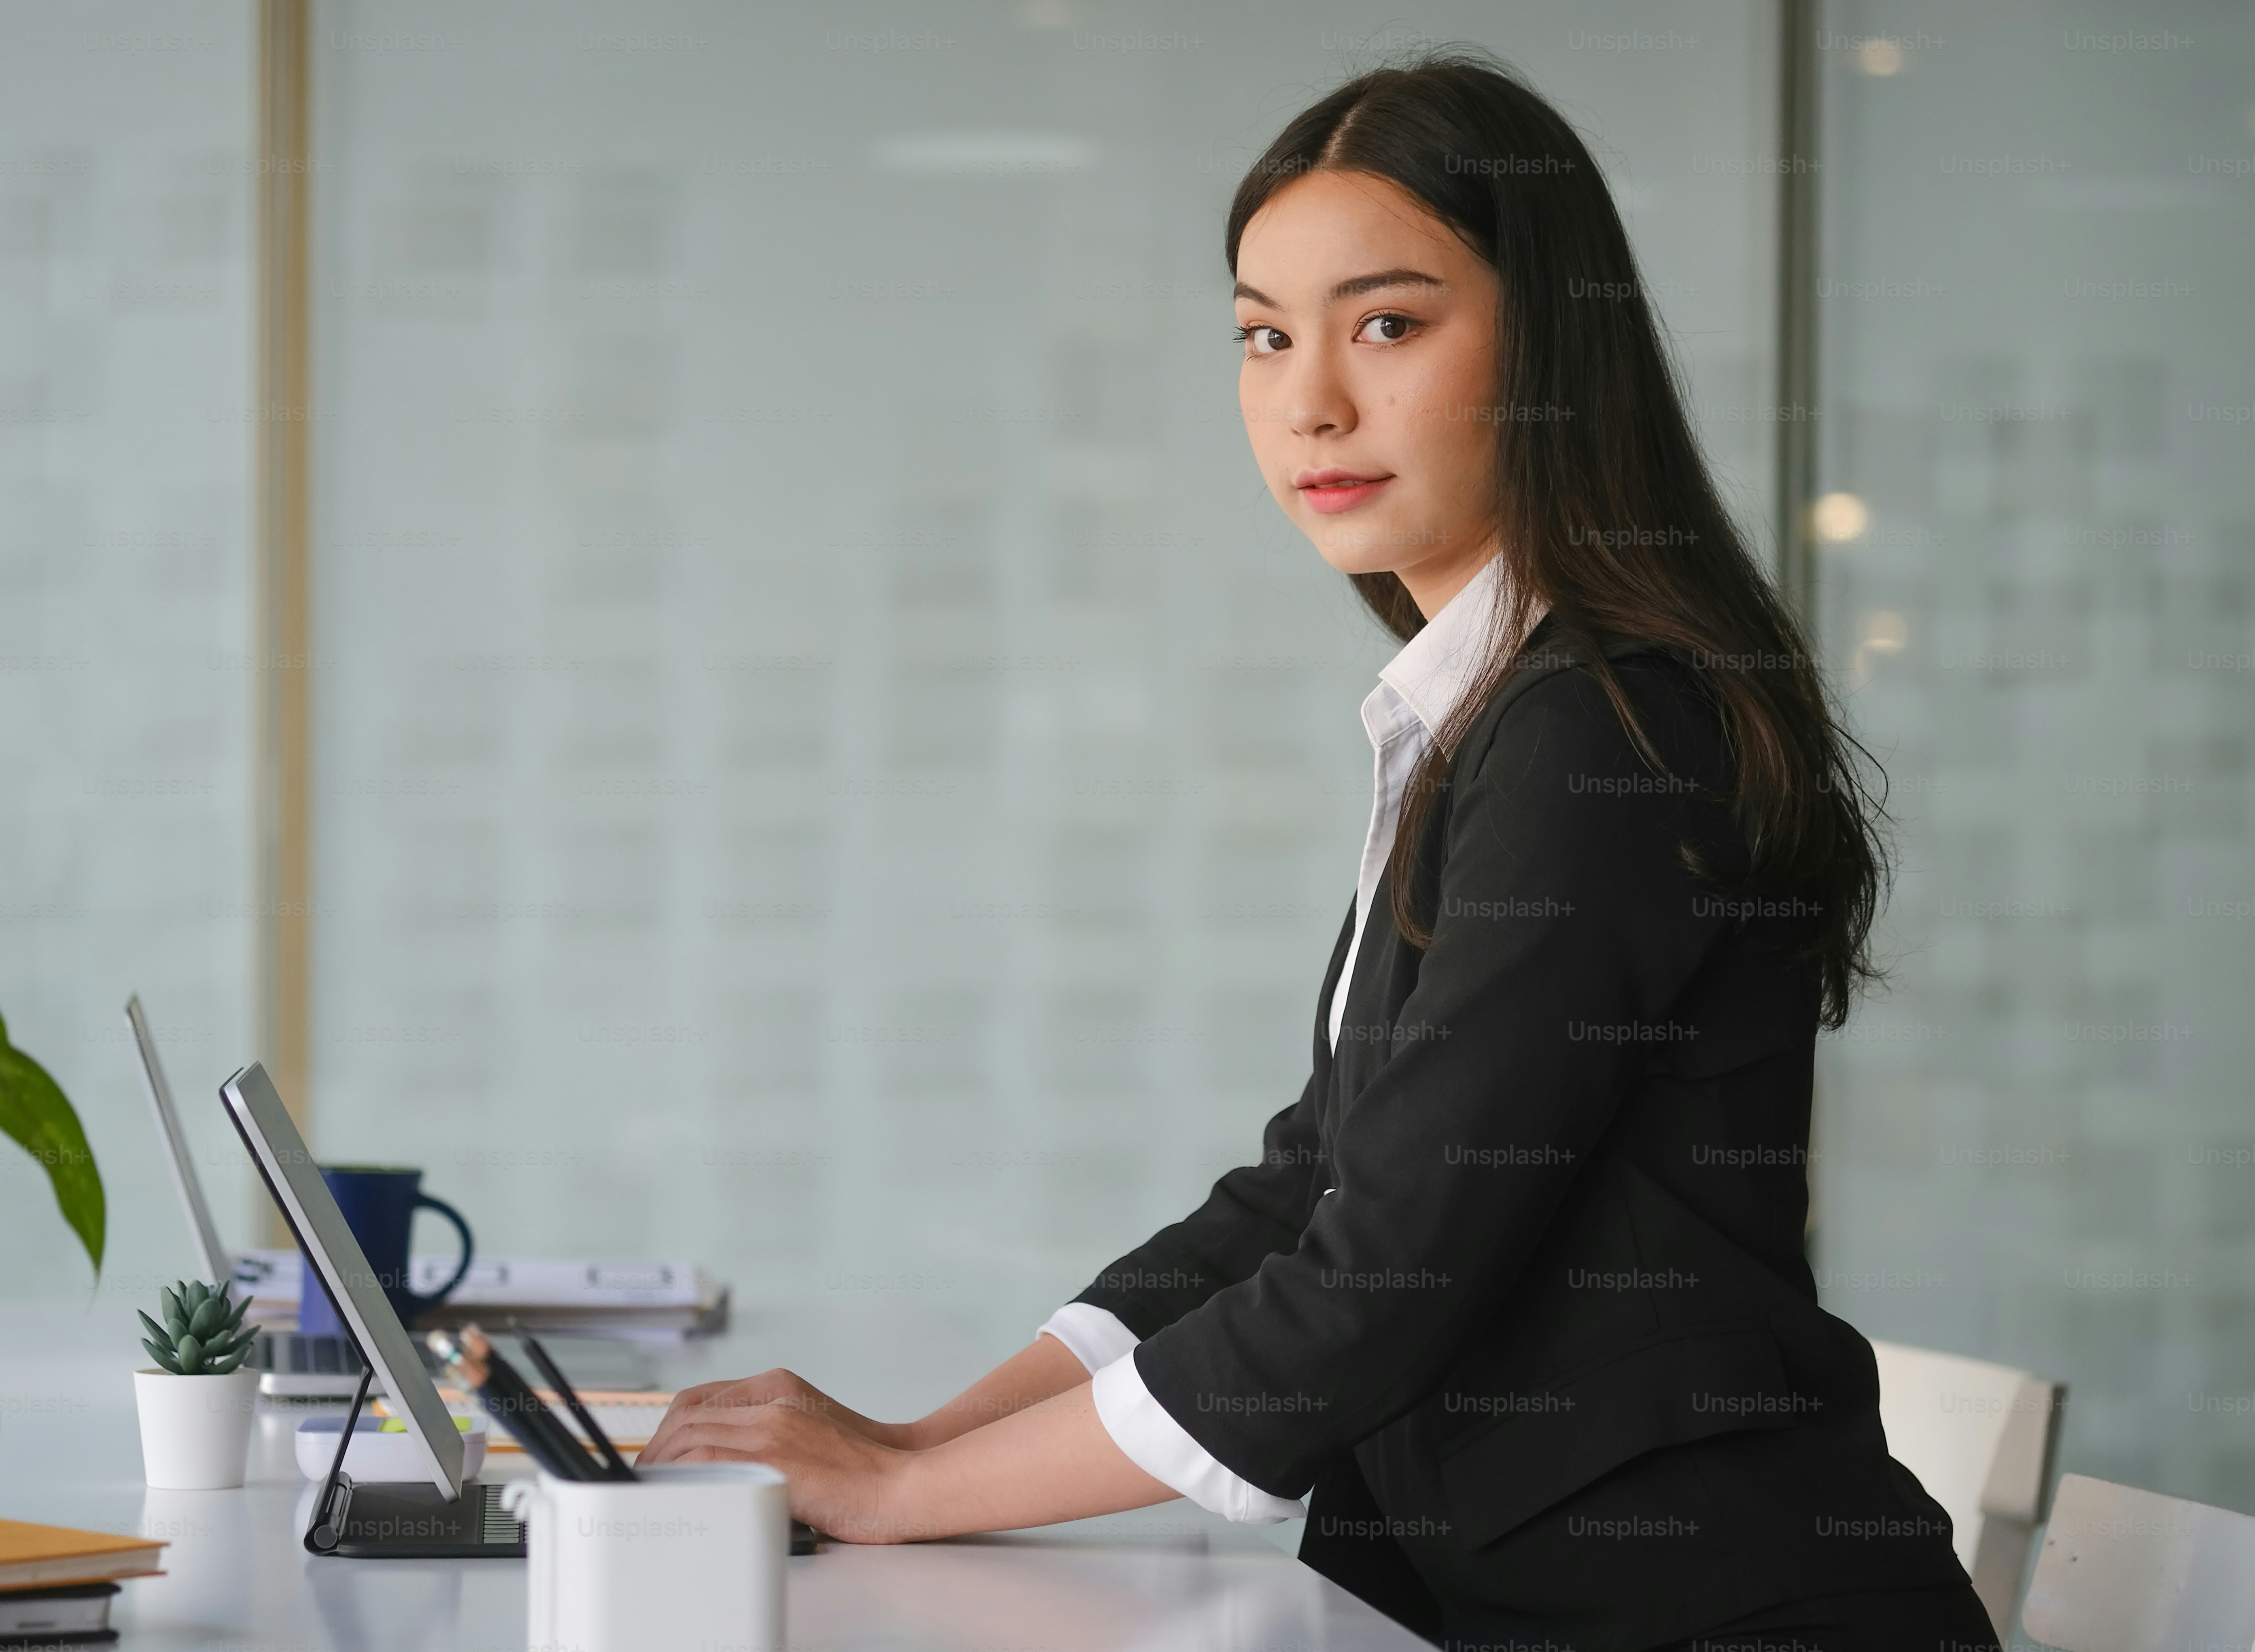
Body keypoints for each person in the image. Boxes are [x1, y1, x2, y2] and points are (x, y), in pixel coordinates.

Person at [641, 50, 1999, 1652]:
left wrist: (894, 1493)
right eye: (1262, 337)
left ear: (1553, 344)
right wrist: (912, 1445)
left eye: (1386, 325)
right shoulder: (1493, 712)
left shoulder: (1603, 727)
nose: (1309, 401)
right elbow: (1303, 1194)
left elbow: (1379, 1274)